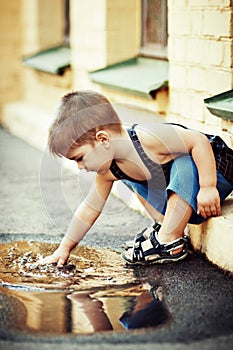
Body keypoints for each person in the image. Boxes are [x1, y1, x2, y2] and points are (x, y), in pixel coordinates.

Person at [40, 90, 233, 266]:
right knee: (128, 175)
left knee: (182, 159)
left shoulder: (148, 138)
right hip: (191, 194)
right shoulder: (108, 170)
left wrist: (208, 186)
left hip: (216, 169)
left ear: (103, 139)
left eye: (80, 158)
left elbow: (197, 141)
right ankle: (165, 224)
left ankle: (169, 239)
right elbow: (90, 208)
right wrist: (64, 248)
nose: (80, 167)